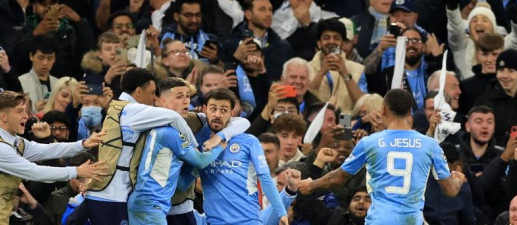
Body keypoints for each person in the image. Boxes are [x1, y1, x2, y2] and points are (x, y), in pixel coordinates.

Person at [298, 89, 466, 224]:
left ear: (383, 109)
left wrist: (312, 185)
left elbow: (337, 178)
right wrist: (457, 180)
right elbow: (450, 190)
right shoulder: (430, 145)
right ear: (409, 112)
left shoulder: (370, 142)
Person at [0, 91, 107, 225]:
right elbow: (36, 172)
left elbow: (48, 150)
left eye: (25, 110)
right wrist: (77, 171)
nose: (26, 115)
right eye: (19, 111)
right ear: (3, 116)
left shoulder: (14, 142)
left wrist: (83, 144)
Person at [84, 68, 198, 224]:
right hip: (112, 194)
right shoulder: (132, 110)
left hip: (107, 192)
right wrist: (194, 147)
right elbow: (173, 116)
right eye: (152, 93)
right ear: (138, 92)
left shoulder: (118, 107)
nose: (154, 98)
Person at [127, 78, 225, 224]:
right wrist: (219, 146)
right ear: (163, 101)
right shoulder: (169, 133)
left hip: (149, 203)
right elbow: (201, 160)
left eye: (188, 96)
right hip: (150, 205)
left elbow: (181, 184)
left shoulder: (165, 128)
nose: (186, 101)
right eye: (179, 96)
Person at [194, 88, 288, 225]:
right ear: (204, 109)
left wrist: (281, 212)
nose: (217, 114)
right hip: (214, 221)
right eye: (213, 109)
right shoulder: (198, 142)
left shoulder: (249, 141)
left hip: (249, 221)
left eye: (224, 110)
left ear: (232, 113)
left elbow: (265, 178)